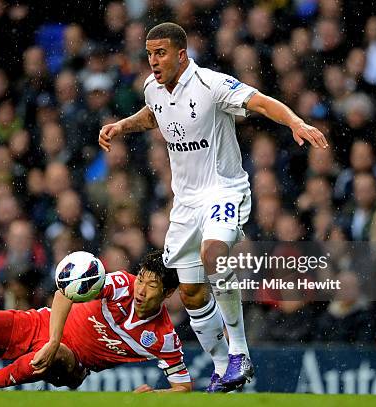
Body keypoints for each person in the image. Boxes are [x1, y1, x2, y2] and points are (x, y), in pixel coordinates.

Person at [98, 22, 328, 392]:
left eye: (160, 53)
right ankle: (225, 371)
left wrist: (295, 122)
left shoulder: (211, 85)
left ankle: (239, 352)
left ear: (181, 54)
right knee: (190, 292)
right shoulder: (152, 88)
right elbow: (154, 115)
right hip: (185, 203)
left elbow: (260, 102)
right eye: (149, 54)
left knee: (215, 254)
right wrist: (121, 126)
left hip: (224, 190)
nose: (153, 61)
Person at [0, 250, 191, 392]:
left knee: (55, 353)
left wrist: (155, 395)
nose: (140, 289)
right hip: (40, 324)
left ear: (167, 292)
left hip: (73, 364)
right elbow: (64, 293)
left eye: (151, 286)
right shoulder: (121, 284)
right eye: (140, 278)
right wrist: (52, 338)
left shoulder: (164, 337)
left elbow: (183, 388)